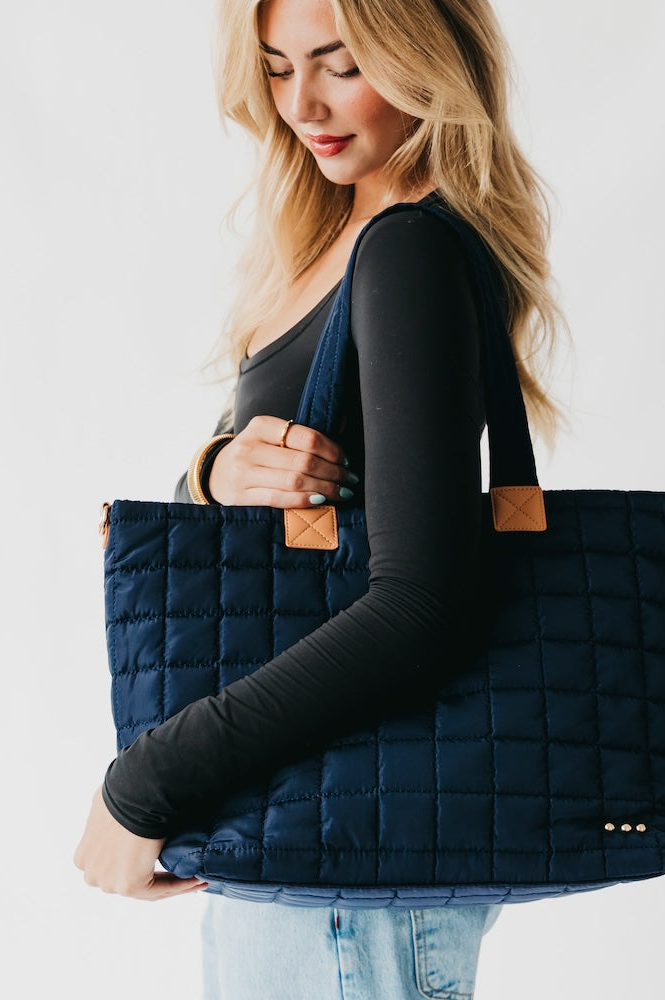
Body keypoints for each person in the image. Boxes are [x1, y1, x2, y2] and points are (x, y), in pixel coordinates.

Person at [75, 0, 562, 995]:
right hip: (313, 833)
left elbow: (420, 606)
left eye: (340, 65)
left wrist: (144, 784)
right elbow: (260, 517)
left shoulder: (410, 251)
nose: (301, 104)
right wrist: (212, 473)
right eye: (276, 66)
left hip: (348, 860)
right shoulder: (336, 241)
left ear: (426, 57)